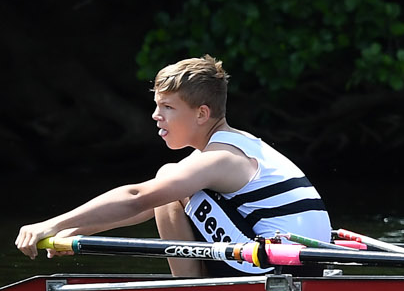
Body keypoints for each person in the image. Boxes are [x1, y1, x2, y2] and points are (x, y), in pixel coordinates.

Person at [13, 56, 332, 278]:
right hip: (300, 264)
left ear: (201, 114)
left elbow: (139, 197)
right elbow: (148, 207)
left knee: (166, 177)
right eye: (156, 105)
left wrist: (50, 224)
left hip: (277, 267)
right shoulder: (238, 144)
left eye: (167, 107)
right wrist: (75, 232)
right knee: (171, 185)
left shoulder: (221, 159)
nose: (155, 115)